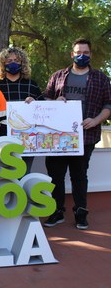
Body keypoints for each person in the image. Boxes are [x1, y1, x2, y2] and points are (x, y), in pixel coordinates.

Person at [43, 38, 111, 230]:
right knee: (55, 175)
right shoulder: (58, 76)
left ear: (90, 55)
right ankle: (56, 211)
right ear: (72, 54)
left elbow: (108, 104)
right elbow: (46, 97)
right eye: (78, 52)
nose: (82, 55)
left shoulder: (101, 78)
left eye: (86, 53)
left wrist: (96, 120)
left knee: (79, 175)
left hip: (85, 135)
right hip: (57, 136)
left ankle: (81, 212)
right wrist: (55, 101)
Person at [0, 47, 43, 173]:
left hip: (27, 140)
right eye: (9, 60)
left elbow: (43, 111)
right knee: (2, 177)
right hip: (1, 139)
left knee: (23, 175)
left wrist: (35, 103)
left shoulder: (32, 85)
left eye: (16, 60)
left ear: (22, 63)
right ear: (3, 64)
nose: (13, 63)